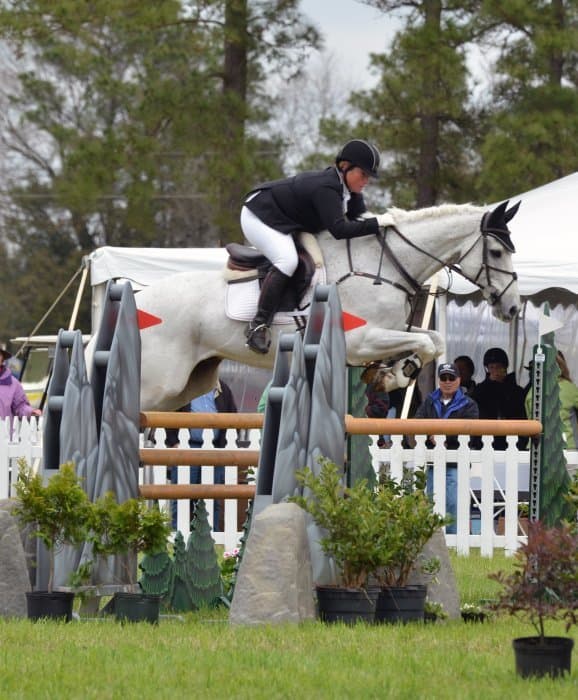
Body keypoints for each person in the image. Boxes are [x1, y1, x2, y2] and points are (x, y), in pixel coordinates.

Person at [241, 139, 390, 353]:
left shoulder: (350, 191)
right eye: (363, 174)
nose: (366, 180)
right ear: (345, 166)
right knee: (287, 260)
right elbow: (339, 230)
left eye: (369, 176)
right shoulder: (327, 188)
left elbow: (360, 219)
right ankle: (258, 325)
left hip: (285, 218)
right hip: (260, 215)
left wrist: (384, 225)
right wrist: (377, 223)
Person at [415, 362, 479, 534]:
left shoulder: (469, 404)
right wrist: (433, 435)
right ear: (439, 380)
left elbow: (470, 430)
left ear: (459, 380)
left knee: (453, 502)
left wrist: (442, 436)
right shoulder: (429, 401)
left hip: (456, 463)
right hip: (433, 462)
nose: (448, 381)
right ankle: (434, 538)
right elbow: (418, 421)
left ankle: (453, 537)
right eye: (444, 378)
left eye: (451, 378)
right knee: (432, 501)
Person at [472, 347, 527, 450]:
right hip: (486, 441)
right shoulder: (480, 389)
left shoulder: (517, 391)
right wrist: (489, 384)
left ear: (505, 368)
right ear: (487, 369)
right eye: (491, 367)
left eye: (498, 367)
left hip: (512, 441)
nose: (495, 371)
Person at [526, 351, 578, 449]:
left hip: (537, 448)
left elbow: (530, 419)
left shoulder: (532, 392)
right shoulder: (570, 389)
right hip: (567, 448)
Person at [0, 343, 41, 419]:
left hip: (5, 426)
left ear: (2, 358)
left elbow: (20, 406)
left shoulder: (14, 384)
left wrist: (30, 411)